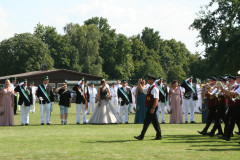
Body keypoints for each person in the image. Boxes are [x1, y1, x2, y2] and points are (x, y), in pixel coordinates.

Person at [134, 75, 162, 140]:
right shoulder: (150, 87)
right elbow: (143, 90)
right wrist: (139, 84)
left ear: (152, 80)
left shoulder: (154, 88)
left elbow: (156, 99)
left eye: (149, 79)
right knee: (155, 122)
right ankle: (159, 136)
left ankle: (141, 136)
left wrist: (153, 108)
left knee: (147, 121)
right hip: (151, 106)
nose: (147, 80)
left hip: (152, 107)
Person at [220, 75, 240, 141]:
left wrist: (224, 90)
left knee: (232, 120)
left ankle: (227, 135)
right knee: (230, 119)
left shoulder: (237, 87)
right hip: (233, 105)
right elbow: (229, 96)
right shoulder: (236, 87)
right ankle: (227, 135)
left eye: (238, 78)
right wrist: (224, 91)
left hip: (237, 106)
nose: (237, 79)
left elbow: (234, 93)